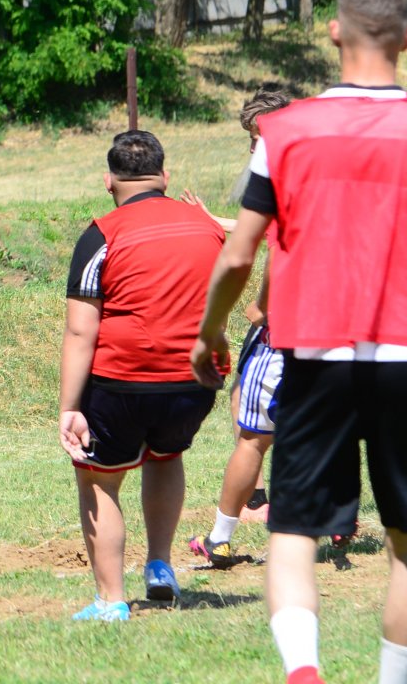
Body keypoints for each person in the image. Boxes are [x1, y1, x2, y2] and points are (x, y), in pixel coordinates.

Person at [192, 0, 407, 684]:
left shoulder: (283, 131)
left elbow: (240, 252)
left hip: (312, 352)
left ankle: (304, 672)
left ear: (333, 31)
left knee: (294, 530)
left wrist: (210, 333)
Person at [60, 130, 226, 621]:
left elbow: (79, 331)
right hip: (196, 383)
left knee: (97, 481)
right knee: (165, 454)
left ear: (108, 181)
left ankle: (111, 601)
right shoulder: (205, 226)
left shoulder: (101, 234)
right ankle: (159, 565)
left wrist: (70, 407)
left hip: (123, 382)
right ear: (165, 176)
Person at [185, 82, 293, 570]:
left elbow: (264, 249)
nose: (251, 148)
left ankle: (228, 528)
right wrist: (212, 218)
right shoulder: (312, 172)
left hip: (283, 331)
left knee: (254, 433)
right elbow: (261, 228)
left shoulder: (282, 177)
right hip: (332, 332)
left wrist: (257, 307)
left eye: (255, 138)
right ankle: (335, 515)